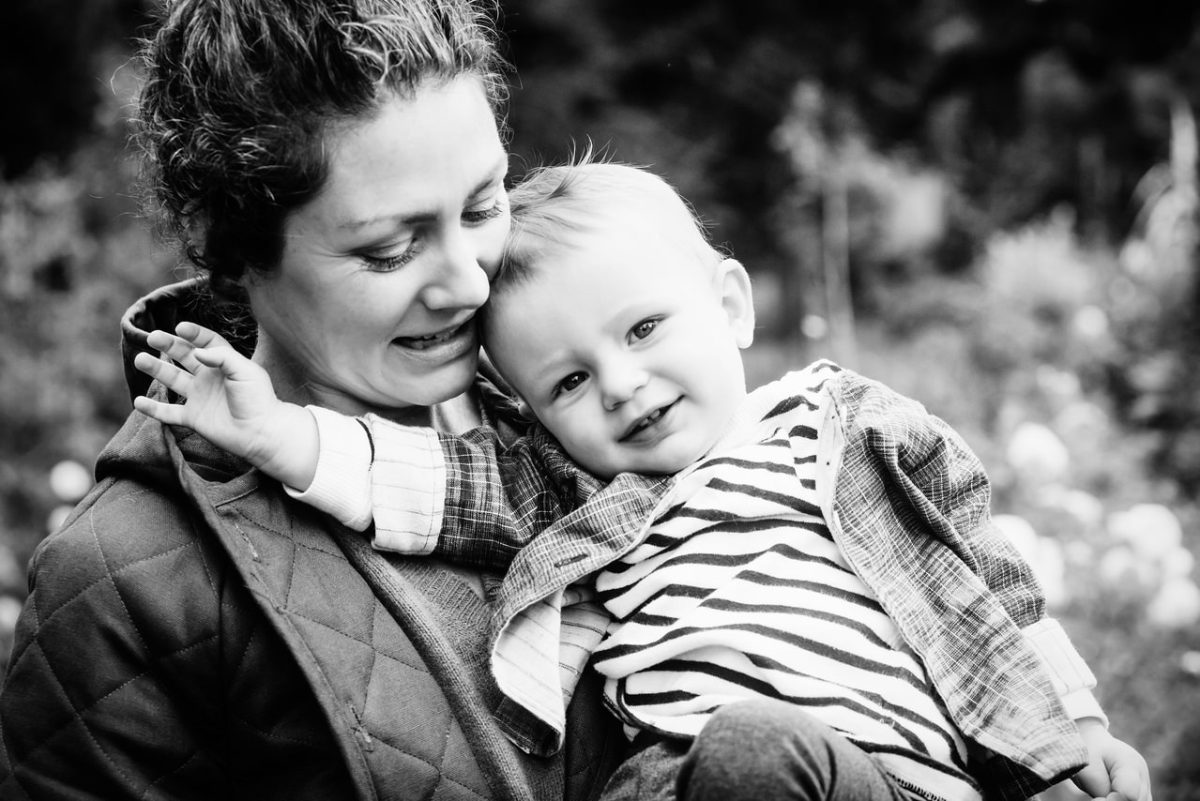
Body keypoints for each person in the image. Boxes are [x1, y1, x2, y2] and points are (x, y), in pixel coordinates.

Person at [132, 160, 1152, 801]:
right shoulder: (578, 494)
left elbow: (988, 580)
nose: (623, 386)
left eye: (645, 329)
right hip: (679, 777)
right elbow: (420, 480)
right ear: (537, 412)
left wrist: (1076, 728)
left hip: (883, 777)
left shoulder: (839, 427)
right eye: (570, 380)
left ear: (732, 306)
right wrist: (275, 435)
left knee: (755, 751)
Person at [0, 2, 631, 799]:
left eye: (482, 206)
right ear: (232, 243)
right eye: (390, 249)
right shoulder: (126, 584)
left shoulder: (595, 405)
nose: (469, 280)